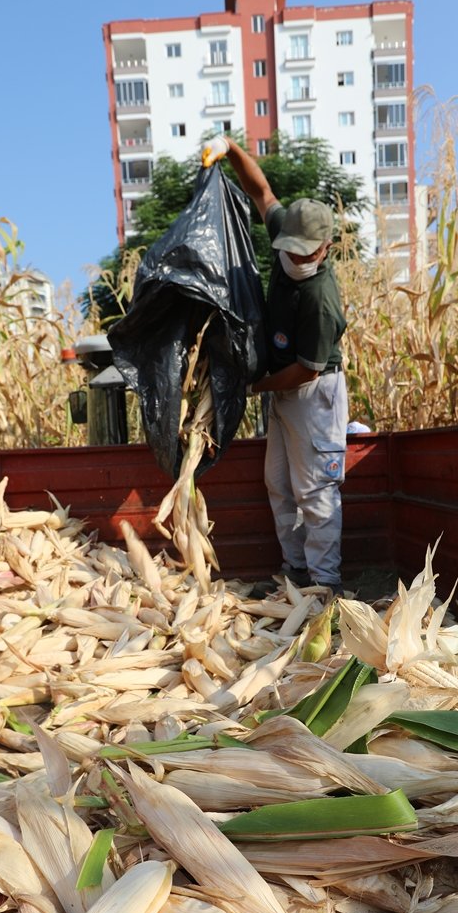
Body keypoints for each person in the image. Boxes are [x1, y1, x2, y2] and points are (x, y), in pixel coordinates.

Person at [201, 135, 348, 595]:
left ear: (325, 247)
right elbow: (260, 191)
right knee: (280, 485)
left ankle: (325, 586)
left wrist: (257, 386)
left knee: (316, 494)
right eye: (292, 250)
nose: (297, 258)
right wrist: (229, 148)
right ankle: (295, 572)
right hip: (280, 390)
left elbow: (307, 369)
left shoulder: (320, 301)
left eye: (307, 253)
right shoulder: (286, 233)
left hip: (313, 393)